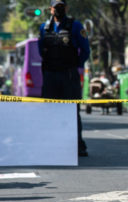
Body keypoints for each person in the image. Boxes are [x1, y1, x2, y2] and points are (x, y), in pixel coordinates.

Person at [38, 0, 90, 157]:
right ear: (50, 9)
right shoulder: (44, 27)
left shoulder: (76, 26)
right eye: (56, 7)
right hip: (50, 75)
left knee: (72, 111)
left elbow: (85, 50)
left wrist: (75, 65)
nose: (59, 10)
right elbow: (41, 49)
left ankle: (78, 144)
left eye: (61, 6)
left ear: (66, 8)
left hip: (69, 75)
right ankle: (52, 142)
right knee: (49, 111)